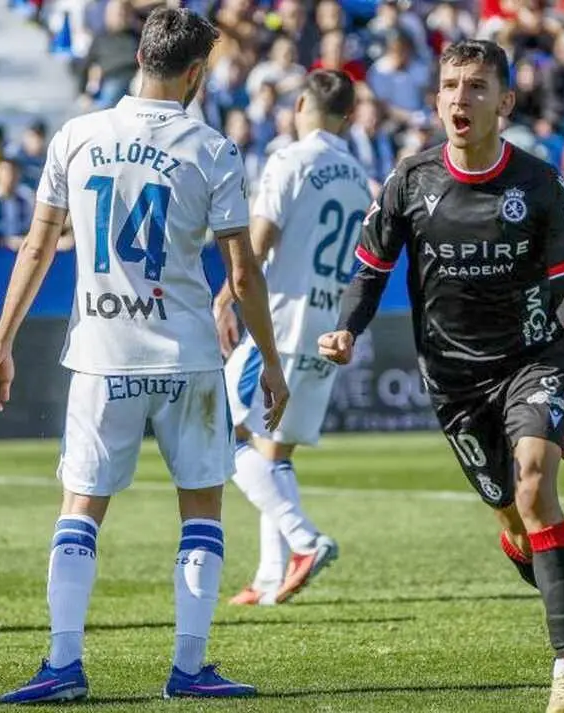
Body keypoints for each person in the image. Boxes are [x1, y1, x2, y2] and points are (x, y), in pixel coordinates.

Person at [0, 7, 289, 703]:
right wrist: (269, 359)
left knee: (80, 506)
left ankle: (63, 664)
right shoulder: (212, 148)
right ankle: (189, 667)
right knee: (201, 507)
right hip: (187, 355)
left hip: (101, 351)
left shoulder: (78, 135)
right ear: (197, 73)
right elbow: (242, 275)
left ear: (140, 56)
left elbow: (35, 246)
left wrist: (2, 342)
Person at [317, 40, 564, 713]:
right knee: (510, 511)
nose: (459, 98)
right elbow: (370, 271)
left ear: (504, 102)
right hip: (452, 378)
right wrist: (346, 330)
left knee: (535, 491)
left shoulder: (539, 183)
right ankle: (560, 588)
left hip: (533, 358)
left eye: (476, 87)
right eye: (449, 85)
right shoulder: (410, 182)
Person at [213, 69, 368, 607]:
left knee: (221, 432)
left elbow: (260, 239)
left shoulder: (289, 159)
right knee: (274, 454)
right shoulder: (357, 176)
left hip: (275, 322)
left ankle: (305, 540)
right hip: (325, 325)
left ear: (301, 102)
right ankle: (269, 577)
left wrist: (226, 297)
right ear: (349, 116)